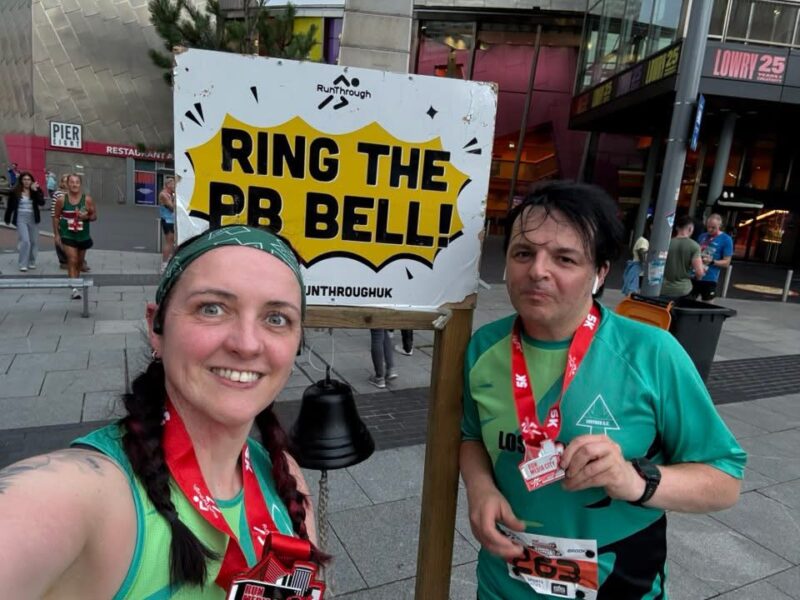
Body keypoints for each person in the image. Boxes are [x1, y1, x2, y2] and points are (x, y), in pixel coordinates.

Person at [0, 225, 326, 598]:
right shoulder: (85, 495)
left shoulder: (286, 477)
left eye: (277, 318)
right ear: (156, 327)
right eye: (212, 308)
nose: (247, 344)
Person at [460, 181, 746, 599]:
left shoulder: (652, 352)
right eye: (523, 253)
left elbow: (725, 478)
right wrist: (480, 487)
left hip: (619, 583)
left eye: (564, 258)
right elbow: (470, 435)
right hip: (502, 584)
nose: (537, 270)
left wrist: (636, 480)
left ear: (600, 273)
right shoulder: (484, 347)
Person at [53, 173, 96, 299]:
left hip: (83, 235)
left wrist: (86, 217)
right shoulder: (62, 200)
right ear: (67, 184)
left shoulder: (87, 200)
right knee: (72, 259)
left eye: (77, 182)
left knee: (79, 262)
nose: (74, 185)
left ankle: (75, 281)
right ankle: (75, 289)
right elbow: (56, 217)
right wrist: (57, 235)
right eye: (72, 182)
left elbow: (94, 216)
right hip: (67, 234)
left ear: (80, 184)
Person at [3, 171, 46, 272]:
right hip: (21, 217)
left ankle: (32, 261)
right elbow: (10, 206)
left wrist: (35, 191)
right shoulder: (16, 191)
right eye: (24, 179)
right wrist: (7, 218)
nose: (26, 181)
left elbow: (42, 203)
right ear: (21, 181)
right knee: (25, 241)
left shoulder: (36, 190)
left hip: (32, 217)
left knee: (34, 241)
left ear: (32, 181)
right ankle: (23, 263)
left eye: (28, 179)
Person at [690, 213, 733, 302]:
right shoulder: (702, 236)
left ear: (720, 226)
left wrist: (712, 261)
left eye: (713, 227)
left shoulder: (726, 239)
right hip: (694, 275)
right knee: (687, 302)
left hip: (709, 278)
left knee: (707, 304)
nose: (710, 230)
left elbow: (727, 262)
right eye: (708, 227)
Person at [661, 215, 706, 299]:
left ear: (677, 228)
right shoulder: (694, 246)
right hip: (683, 289)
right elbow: (699, 272)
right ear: (690, 229)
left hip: (663, 288)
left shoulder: (665, 243)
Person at [621, 218, 651, 295]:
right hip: (638, 267)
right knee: (633, 289)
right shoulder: (643, 240)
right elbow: (641, 251)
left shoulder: (644, 240)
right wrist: (644, 263)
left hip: (639, 268)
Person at [159, 176, 176, 272]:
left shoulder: (170, 194)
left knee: (173, 242)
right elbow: (172, 207)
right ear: (168, 185)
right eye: (173, 184)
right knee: (169, 242)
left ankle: (169, 260)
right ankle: (164, 264)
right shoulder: (163, 195)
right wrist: (175, 198)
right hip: (167, 220)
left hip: (172, 220)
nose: (175, 186)